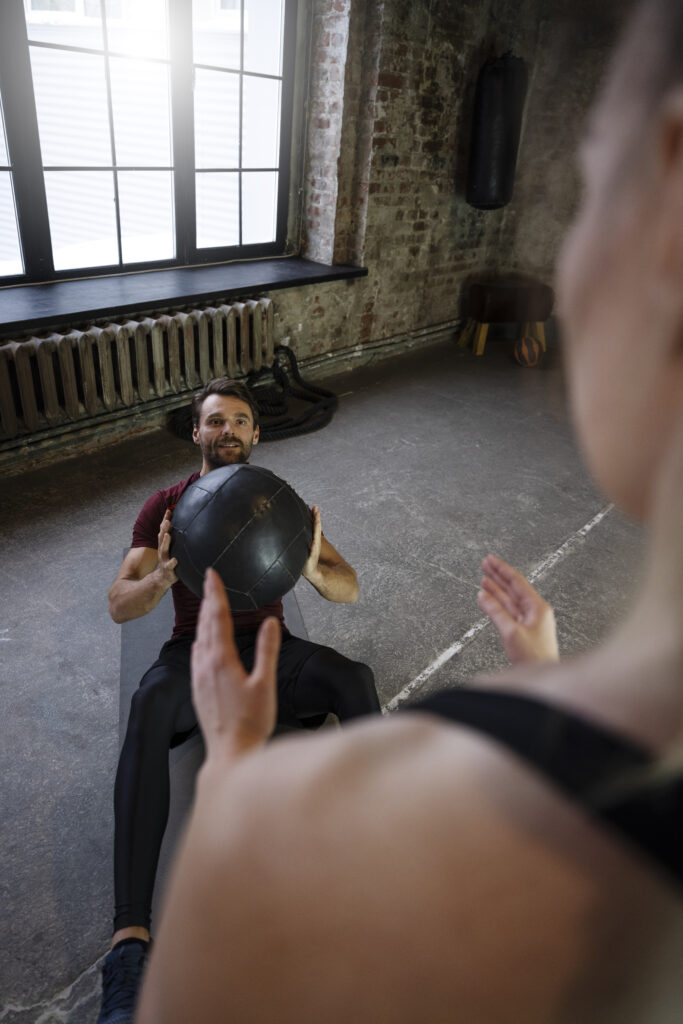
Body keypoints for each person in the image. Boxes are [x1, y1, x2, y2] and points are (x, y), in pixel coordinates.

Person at [138, 0, 683, 1019]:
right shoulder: (168, 502)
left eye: (587, 181)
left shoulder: (372, 823)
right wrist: (545, 689)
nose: (561, 259)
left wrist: (233, 790)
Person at [96, 378, 380, 1023]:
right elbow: (119, 605)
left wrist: (310, 567)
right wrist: (165, 573)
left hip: (272, 649)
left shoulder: (277, 500)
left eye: (241, 422)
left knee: (353, 678)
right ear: (195, 433)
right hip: (194, 650)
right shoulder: (164, 506)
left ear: (256, 434)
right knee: (148, 706)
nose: (229, 431)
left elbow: (349, 587)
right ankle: (129, 945)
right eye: (215, 421)